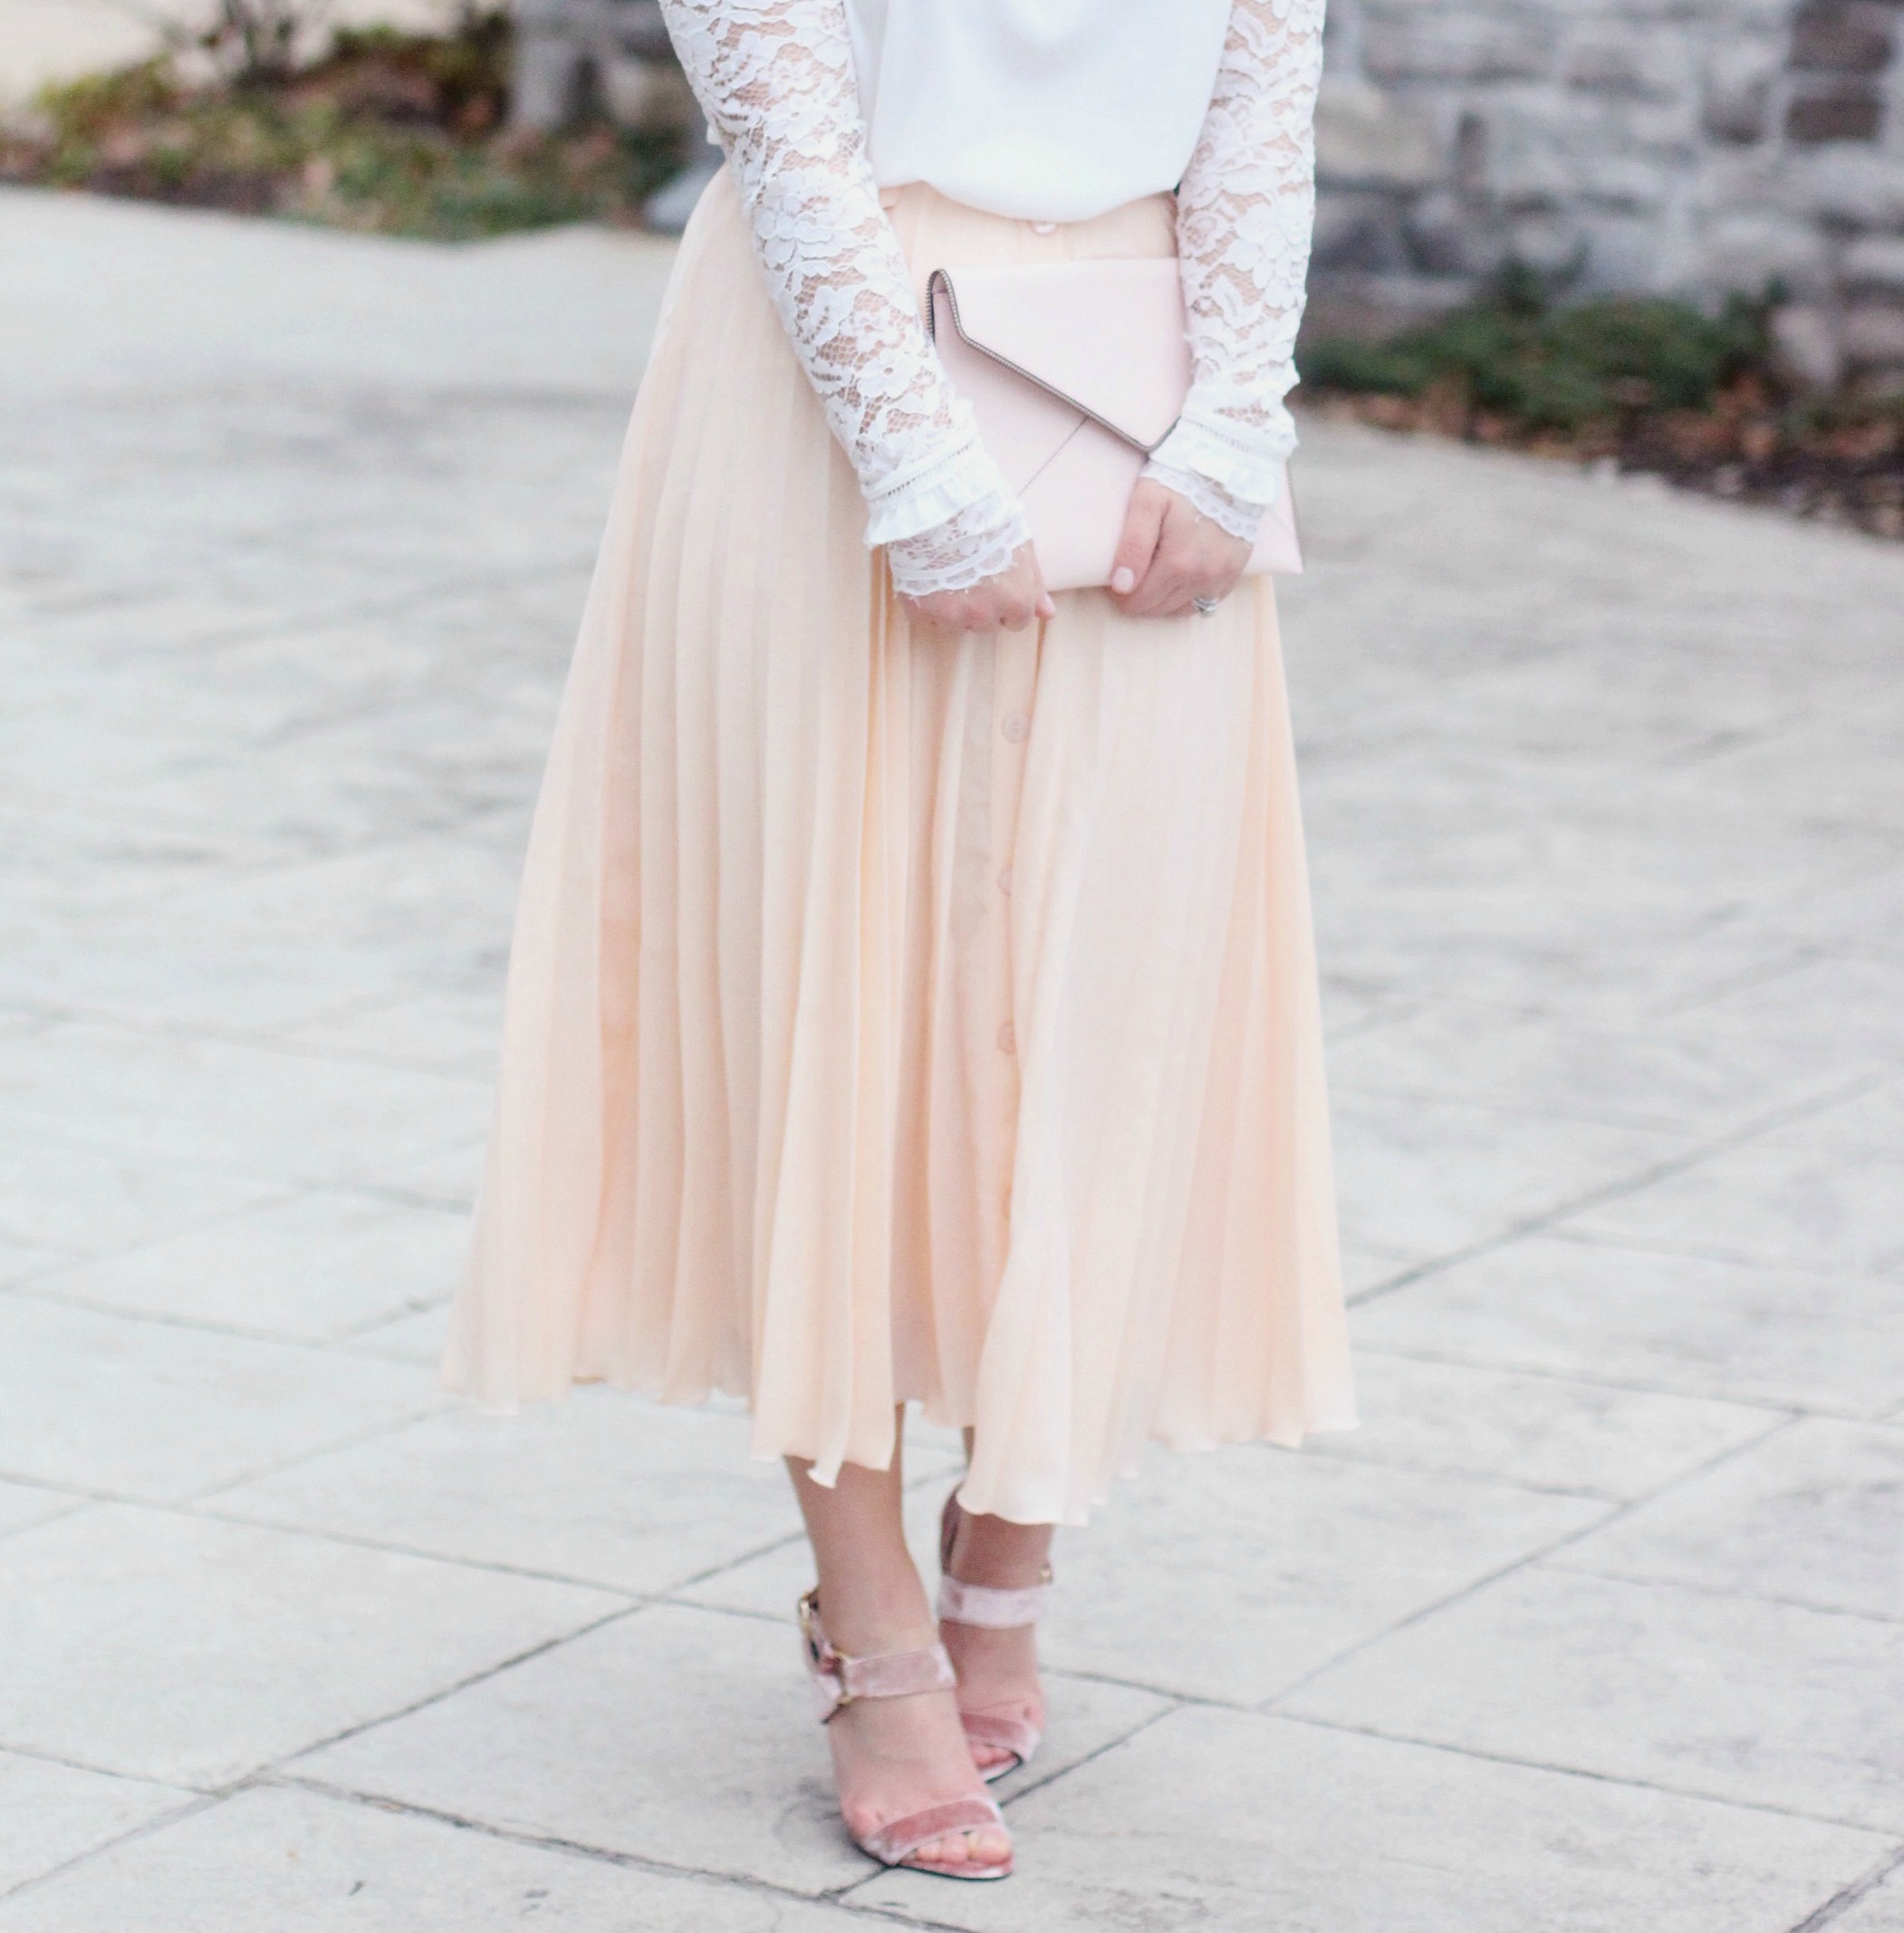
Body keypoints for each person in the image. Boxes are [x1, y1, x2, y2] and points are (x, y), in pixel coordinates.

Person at [446, 0, 1352, 1883]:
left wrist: (1233, 422)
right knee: (831, 998)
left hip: (1150, 379)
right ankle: (873, 1635)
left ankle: (1007, 1549)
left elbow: (1264, 89)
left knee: (1110, 989)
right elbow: (781, 120)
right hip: (819, 374)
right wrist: (916, 469)